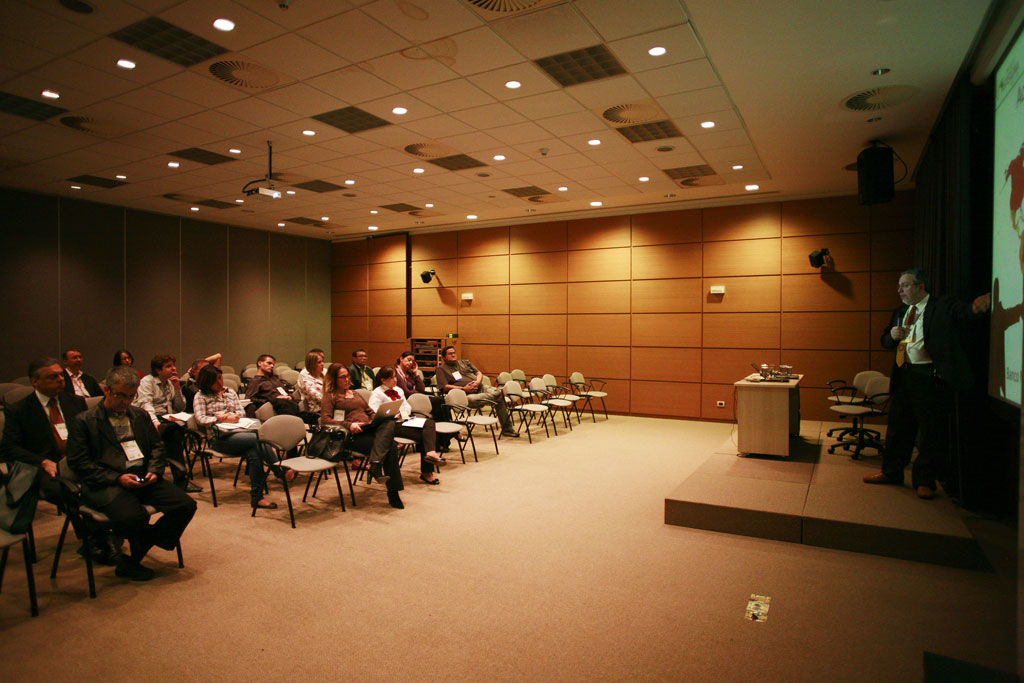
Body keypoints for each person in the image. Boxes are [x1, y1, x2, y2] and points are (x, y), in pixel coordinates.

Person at [863, 269, 991, 499]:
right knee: (898, 428)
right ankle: (891, 471)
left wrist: (975, 307)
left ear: (920, 286)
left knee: (931, 432)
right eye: (899, 286)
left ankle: (924, 481)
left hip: (929, 377)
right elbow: (885, 341)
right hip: (904, 375)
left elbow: (964, 312)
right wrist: (892, 336)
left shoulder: (941, 305)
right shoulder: (901, 311)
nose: (899, 290)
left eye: (905, 285)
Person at [66, 366, 197, 581]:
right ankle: (132, 560)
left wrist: (154, 470)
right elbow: (79, 463)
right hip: (107, 482)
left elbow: (156, 447)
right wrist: (117, 478)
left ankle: (139, 548)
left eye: (130, 396)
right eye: (120, 396)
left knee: (185, 505)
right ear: (107, 391)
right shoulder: (84, 421)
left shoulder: (139, 415)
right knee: (134, 517)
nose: (125, 402)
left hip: (142, 476)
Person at [0, 357, 120, 565]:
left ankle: (114, 527)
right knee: (67, 490)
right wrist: (42, 462)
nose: (60, 380)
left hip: (77, 458)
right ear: (35, 381)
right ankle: (96, 537)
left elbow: (91, 434)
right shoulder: (19, 410)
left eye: (61, 376)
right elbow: (10, 448)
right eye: (52, 377)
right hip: (43, 466)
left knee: (109, 476)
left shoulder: (75, 402)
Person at [193, 365, 294, 510]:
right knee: (258, 439)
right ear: (207, 382)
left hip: (239, 433)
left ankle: (257, 498)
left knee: (255, 452)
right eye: (216, 380)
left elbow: (241, 412)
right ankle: (279, 470)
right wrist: (222, 418)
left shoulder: (230, 392)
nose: (221, 382)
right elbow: (200, 419)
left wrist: (233, 417)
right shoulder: (200, 396)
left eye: (221, 378)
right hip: (219, 439)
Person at [320, 363, 404, 509]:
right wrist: (349, 425)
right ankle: (392, 492)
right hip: (350, 435)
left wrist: (379, 417)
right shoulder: (330, 396)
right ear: (334, 379)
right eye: (342, 377)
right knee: (390, 446)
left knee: (389, 422)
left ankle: (376, 464)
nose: (347, 379)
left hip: (368, 428)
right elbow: (325, 420)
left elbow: (369, 411)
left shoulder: (355, 393)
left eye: (348, 376)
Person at [134, 354, 200, 493]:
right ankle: (180, 480)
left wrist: (177, 388)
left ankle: (177, 476)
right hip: (147, 419)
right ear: (158, 370)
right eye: (169, 366)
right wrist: (155, 423)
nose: (174, 368)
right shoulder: (147, 382)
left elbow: (180, 407)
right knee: (174, 434)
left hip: (167, 419)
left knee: (176, 430)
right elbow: (146, 405)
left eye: (173, 365)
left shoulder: (170, 383)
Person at [370, 366, 443, 485]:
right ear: (383, 380)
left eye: (395, 377)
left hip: (404, 420)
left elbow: (407, 407)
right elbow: (375, 412)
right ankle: (427, 472)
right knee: (427, 437)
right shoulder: (377, 393)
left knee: (429, 423)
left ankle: (430, 453)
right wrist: (393, 414)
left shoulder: (398, 390)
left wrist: (402, 412)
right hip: (390, 425)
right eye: (392, 378)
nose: (395, 380)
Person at [434, 345, 518, 438]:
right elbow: (444, 387)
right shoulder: (441, 369)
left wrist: (477, 382)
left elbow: (479, 373)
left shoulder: (465, 362)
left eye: (454, 353)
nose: (453, 355)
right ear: (444, 357)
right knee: (498, 395)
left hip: (480, 387)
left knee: (497, 394)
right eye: (450, 354)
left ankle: (498, 396)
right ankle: (507, 428)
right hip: (465, 395)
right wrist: (464, 388)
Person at [395, 350, 457, 451]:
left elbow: (421, 388)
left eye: (412, 361)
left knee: (441, 401)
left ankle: (444, 439)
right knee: (437, 403)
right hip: (407, 401)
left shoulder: (409, 373)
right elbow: (406, 392)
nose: (410, 363)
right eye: (408, 360)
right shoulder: (396, 374)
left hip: (416, 397)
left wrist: (416, 373)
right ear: (401, 359)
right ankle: (444, 439)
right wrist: (419, 394)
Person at [245, 354, 308, 422]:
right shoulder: (255, 381)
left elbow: (285, 391)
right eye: (269, 363)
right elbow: (250, 399)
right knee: (285, 403)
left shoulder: (275, 379)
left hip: (286, 402)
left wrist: (289, 396)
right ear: (260, 363)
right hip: (273, 404)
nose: (272, 366)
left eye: (273, 364)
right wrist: (269, 400)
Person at [298, 348, 325, 415]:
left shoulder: (324, 376)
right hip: (319, 411)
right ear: (312, 365)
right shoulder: (307, 381)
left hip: (331, 407)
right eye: (319, 362)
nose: (322, 364)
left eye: (322, 361)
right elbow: (320, 398)